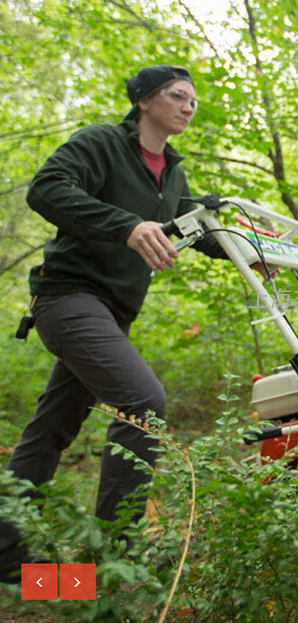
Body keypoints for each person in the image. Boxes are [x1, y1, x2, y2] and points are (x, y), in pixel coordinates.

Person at [0, 64, 226, 583]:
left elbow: (193, 231)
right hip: (68, 299)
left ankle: (10, 562)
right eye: (177, 95)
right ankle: (117, 557)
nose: (188, 105)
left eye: (193, 99)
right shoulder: (101, 143)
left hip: (110, 314)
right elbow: (45, 189)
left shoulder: (172, 173)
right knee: (143, 402)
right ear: (144, 100)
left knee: (50, 430)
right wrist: (126, 225)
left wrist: (250, 249)